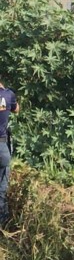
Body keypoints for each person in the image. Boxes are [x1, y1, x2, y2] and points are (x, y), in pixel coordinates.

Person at [0, 76, 19, 225]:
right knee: (1, 185)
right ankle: (3, 222)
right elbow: (16, 109)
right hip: (1, 148)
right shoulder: (8, 95)